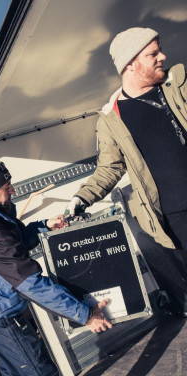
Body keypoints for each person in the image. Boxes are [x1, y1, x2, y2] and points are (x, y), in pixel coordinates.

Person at [0, 161, 112, 376]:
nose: (13, 190)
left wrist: (43, 226)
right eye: (7, 187)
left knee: (15, 374)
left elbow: (15, 240)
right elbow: (31, 284)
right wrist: (85, 315)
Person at [65, 27, 187, 315]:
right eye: (153, 54)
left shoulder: (178, 85)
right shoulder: (112, 119)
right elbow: (109, 167)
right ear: (130, 63)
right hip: (176, 216)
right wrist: (82, 198)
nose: (163, 57)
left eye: (160, 51)